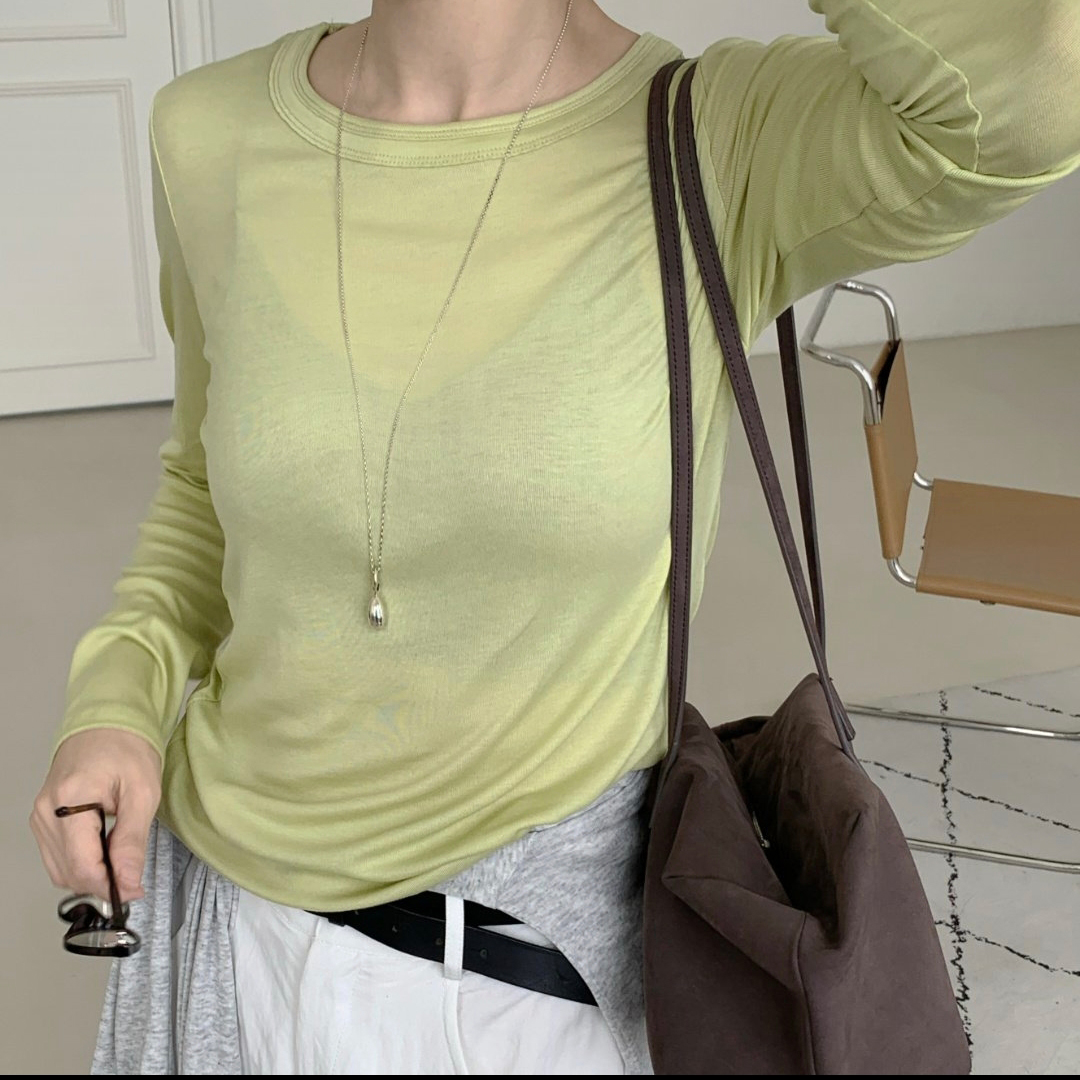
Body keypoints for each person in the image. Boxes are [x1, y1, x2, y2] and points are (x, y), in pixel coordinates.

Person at [30, 0, 1080, 1074]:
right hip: (229, 939)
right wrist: (115, 705)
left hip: (542, 975)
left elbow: (1032, 99)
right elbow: (202, 487)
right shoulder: (208, 132)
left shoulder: (717, 139)